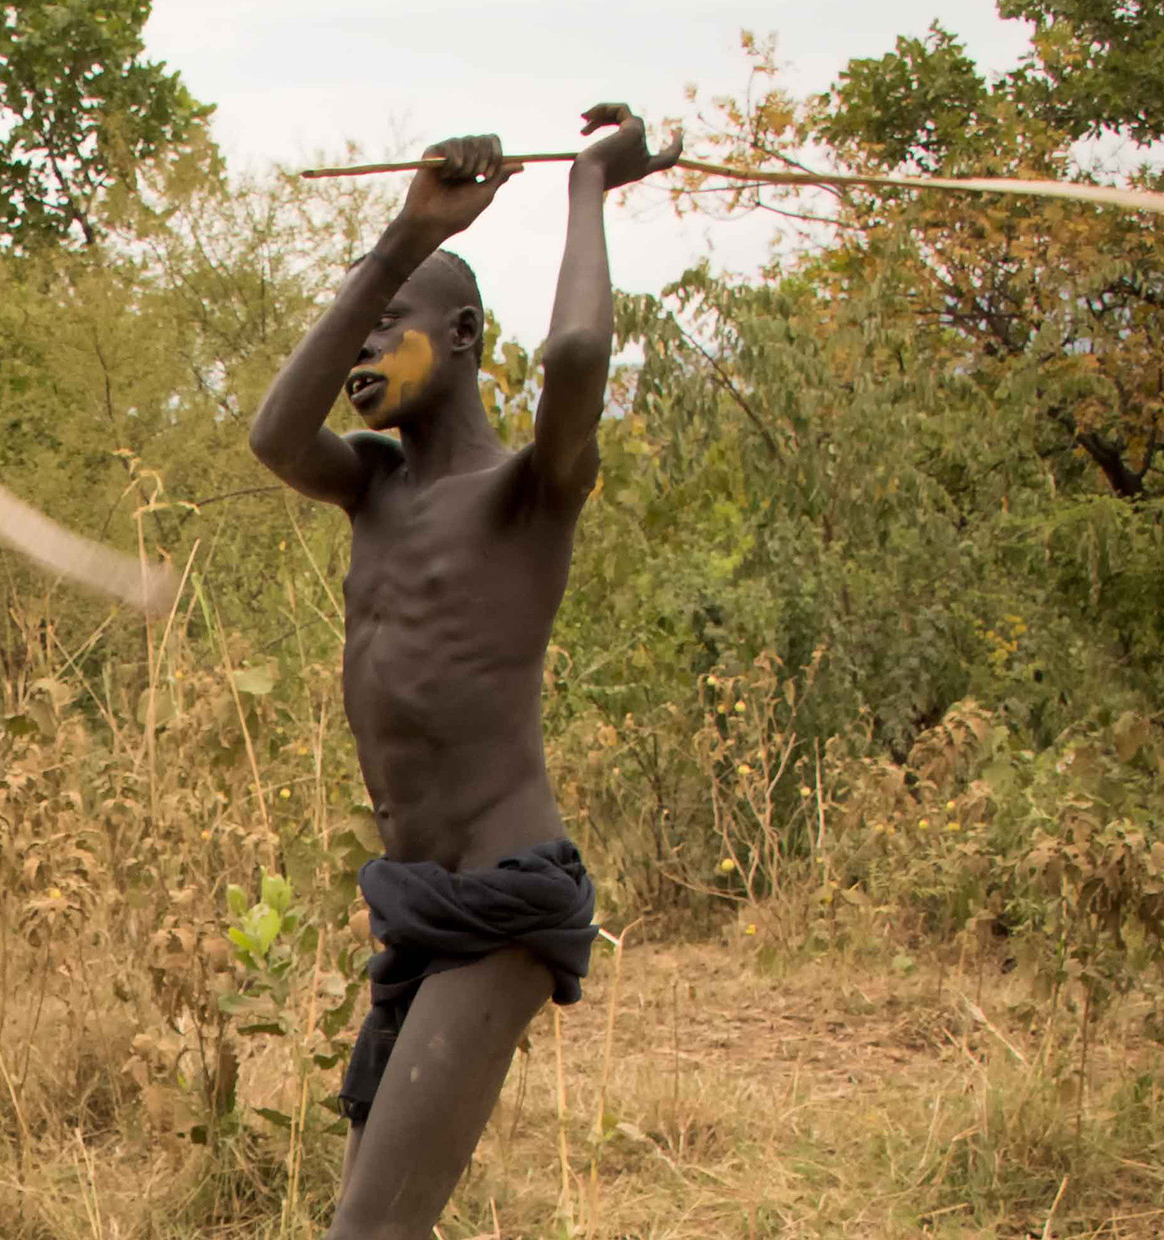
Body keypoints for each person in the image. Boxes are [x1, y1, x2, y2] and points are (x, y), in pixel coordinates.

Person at [248, 106, 680, 1239]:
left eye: (387, 329)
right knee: (371, 1215)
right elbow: (270, 438)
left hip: (502, 902)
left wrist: (589, 184)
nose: (359, 359)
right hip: (419, 909)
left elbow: (580, 355)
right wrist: (398, 241)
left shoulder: (528, 491)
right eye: (355, 338)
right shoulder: (370, 487)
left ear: (469, 334)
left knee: (367, 1234)